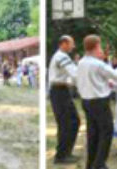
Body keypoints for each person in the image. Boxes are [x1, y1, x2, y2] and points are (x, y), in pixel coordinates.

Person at [76, 35, 117, 169]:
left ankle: (91, 163)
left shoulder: (82, 62)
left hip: (87, 101)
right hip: (99, 102)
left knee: (93, 133)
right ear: (96, 46)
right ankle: (99, 164)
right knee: (106, 131)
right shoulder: (97, 64)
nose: (101, 49)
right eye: (99, 46)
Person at [49, 36, 81, 164]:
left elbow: (72, 76)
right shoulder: (62, 56)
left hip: (62, 91)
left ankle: (65, 152)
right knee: (67, 123)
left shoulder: (61, 56)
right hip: (59, 92)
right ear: (64, 43)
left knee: (71, 122)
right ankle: (62, 155)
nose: (73, 47)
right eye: (71, 44)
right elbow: (75, 74)